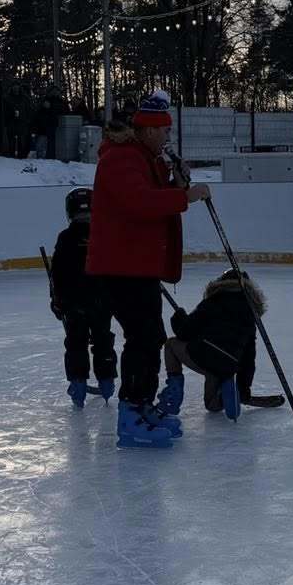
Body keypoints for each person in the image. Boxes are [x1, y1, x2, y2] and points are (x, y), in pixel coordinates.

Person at [86, 91, 209, 448]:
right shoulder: (121, 158)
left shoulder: (142, 157)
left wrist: (177, 184)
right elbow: (139, 202)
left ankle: (141, 403)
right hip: (121, 267)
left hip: (136, 265)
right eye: (166, 131)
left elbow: (150, 199)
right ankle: (131, 412)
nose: (169, 138)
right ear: (151, 130)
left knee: (150, 337)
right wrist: (184, 196)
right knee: (142, 338)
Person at [161, 267, 265, 423]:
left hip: (204, 355)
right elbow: (249, 358)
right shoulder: (250, 314)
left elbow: (185, 333)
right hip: (227, 365)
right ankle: (225, 392)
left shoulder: (214, 300)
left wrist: (178, 318)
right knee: (212, 406)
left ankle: (173, 392)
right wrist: (243, 389)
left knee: (170, 345)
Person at [48, 187, 117, 407]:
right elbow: (113, 270)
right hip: (101, 302)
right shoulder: (103, 234)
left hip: (73, 303)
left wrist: (57, 301)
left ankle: (78, 386)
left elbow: (57, 273)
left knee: (76, 344)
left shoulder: (66, 237)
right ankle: (107, 382)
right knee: (103, 341)